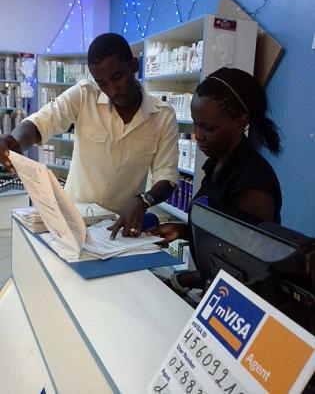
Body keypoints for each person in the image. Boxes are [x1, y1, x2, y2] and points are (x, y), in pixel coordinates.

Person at [0, 33, 179, 239]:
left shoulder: (162, 116)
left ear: (134, 65)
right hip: (72, 218)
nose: (112, 89)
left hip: (118, 226)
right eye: (102, 83)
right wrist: (12, 141)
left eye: (117, 77)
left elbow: (167, 176)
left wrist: (144, 200)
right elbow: (40, 123)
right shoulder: (85, 95)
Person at [149, 67, 282, 292]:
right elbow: (223, 235)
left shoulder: (253, 184)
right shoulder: (218, 162)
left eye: (208, 127)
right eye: (196, 123)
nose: (198, 134)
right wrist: (184, 230)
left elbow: (245, 270)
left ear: (241, 122)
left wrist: (182, 280)